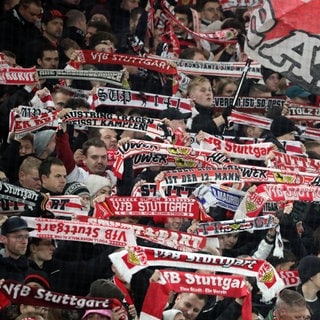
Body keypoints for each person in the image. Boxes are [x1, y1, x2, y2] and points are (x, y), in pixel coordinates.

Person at [0, 0, 43, 66]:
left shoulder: (34, 29)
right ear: (22, 8)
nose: (35, 18)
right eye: (32, 14)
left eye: (37, 15)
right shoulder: (5, 25)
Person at [0, 216, 33, 281]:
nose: (24, 241)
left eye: (26, 237)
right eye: (19, 237)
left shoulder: (31, 271)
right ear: (3, 239)